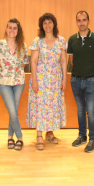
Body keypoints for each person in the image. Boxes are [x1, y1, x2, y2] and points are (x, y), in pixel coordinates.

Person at [26, 13, 67, 150]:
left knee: (52, 106)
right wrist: (35, 81)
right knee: (40, 106)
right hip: (41, 78)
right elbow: (33, 61)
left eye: (50, 22)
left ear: (54, 24)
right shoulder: (37, 41)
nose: (47, 25)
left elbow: (63, 61)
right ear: (41, 26)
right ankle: (39, 135)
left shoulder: (61, 40)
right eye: (45, 23)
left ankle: (50, 132)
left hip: (55, 79)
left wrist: (64, 79)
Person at [68, 11, 94, 153]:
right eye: (79, 20)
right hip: (75, 80)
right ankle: (82, 136)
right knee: (80, 110)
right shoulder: (72, 39)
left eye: (84, 20)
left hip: (91, 80)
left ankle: (92, 139)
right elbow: (71, 59)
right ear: (76, 22)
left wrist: (91, 72)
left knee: (91, 110)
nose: (81, 22)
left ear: (88, 21)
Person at [0, 18, 29, 151]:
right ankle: (20, 138)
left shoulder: (22, 45)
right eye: (10, 27)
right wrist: (1, 74)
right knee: (12, 111)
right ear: (6, 29)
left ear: (18, 31)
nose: (12, 30)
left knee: (14, 111)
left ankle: (9, 137)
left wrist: (15, 72)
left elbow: (24, 63)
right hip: (3, 83)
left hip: (19, 82)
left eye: (15, 28)